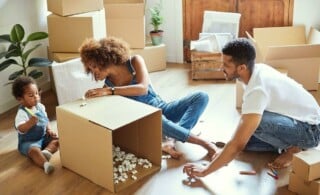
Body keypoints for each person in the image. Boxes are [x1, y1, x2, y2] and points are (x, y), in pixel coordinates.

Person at [183, 38, 320, 177]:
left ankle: (294, 148)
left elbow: (237, 144)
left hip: (310, 131)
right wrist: (228, 150)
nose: (221, 68)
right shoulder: (254, 70)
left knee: (251, 129)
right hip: (295, 120)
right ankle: (282, 146)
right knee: (246, 138)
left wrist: (205, 171)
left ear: (241, 67)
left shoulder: (257, 89)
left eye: (225, 65)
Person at [79, 36, 217, 159]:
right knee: (159, 119)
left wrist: (110, 91)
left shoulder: (134, 62)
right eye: (90, 69)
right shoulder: (107, 86)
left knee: (201, 96)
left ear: (104, 59)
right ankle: (204, 143)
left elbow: (143, 89)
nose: (93, 73)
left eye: (94, 66)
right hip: (147, 119)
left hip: (161, 106)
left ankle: (171, 139)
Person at [12, 76, 59, 174]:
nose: (36, 97)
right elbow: (20, 128)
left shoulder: (40, 107)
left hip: (42, 137)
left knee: (58, 140)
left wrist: (49, 130)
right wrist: (30, 123)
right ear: (20, 99)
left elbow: (45, 120)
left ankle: (46, 152)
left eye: (37, 93)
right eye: (31, 95)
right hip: (29, 141)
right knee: (34, 151)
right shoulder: (22, 112)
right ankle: (45, 164)